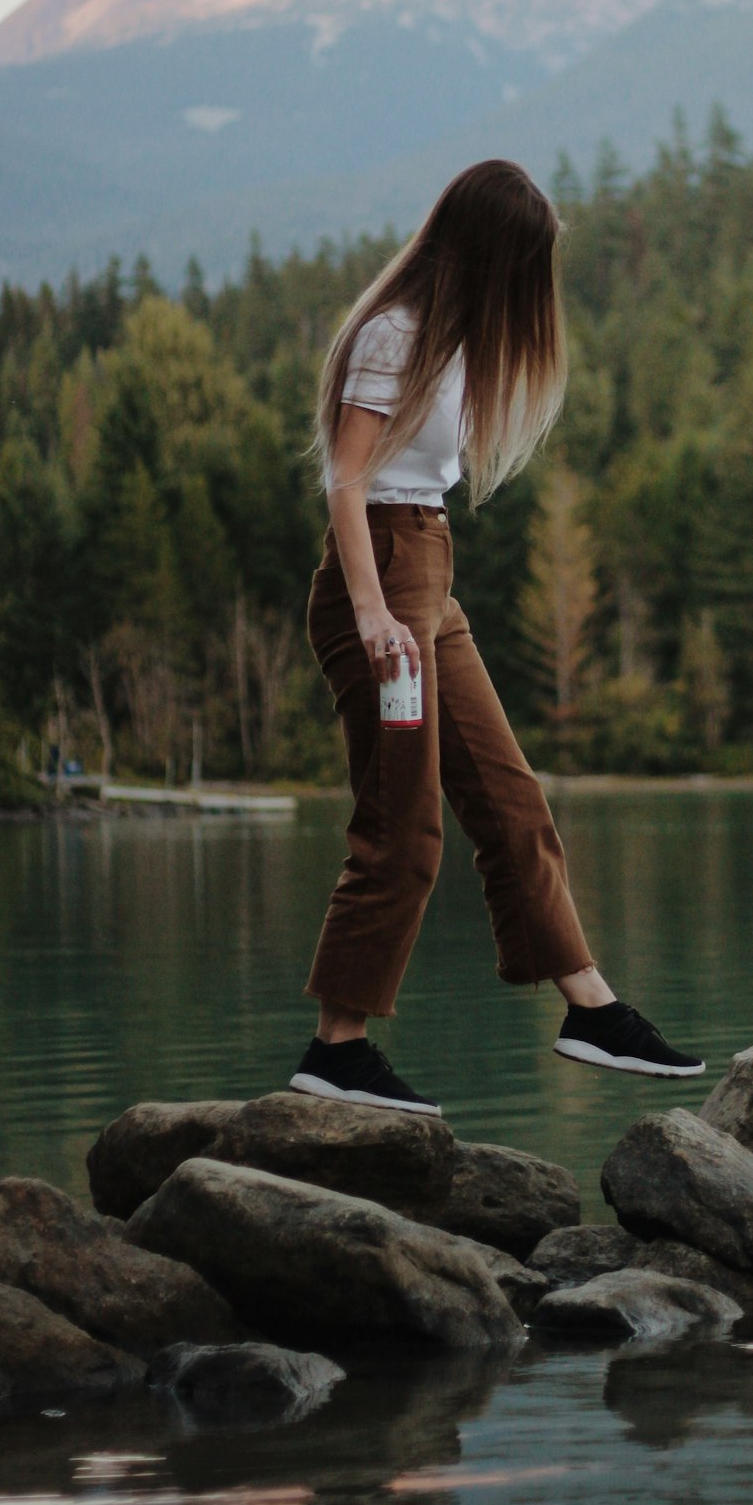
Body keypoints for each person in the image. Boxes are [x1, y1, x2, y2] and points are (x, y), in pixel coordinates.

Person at [290, 157, 701, 1115]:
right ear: (482, 250)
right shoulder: (394, 335)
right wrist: (371, 612)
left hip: (430, 576)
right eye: (522, 263)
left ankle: (588, 1007)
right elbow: (346, 479)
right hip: (385, 581)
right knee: (404, 829)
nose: (531, 288)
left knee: (513, 801)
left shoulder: (452, 338)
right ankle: (336, 1049)